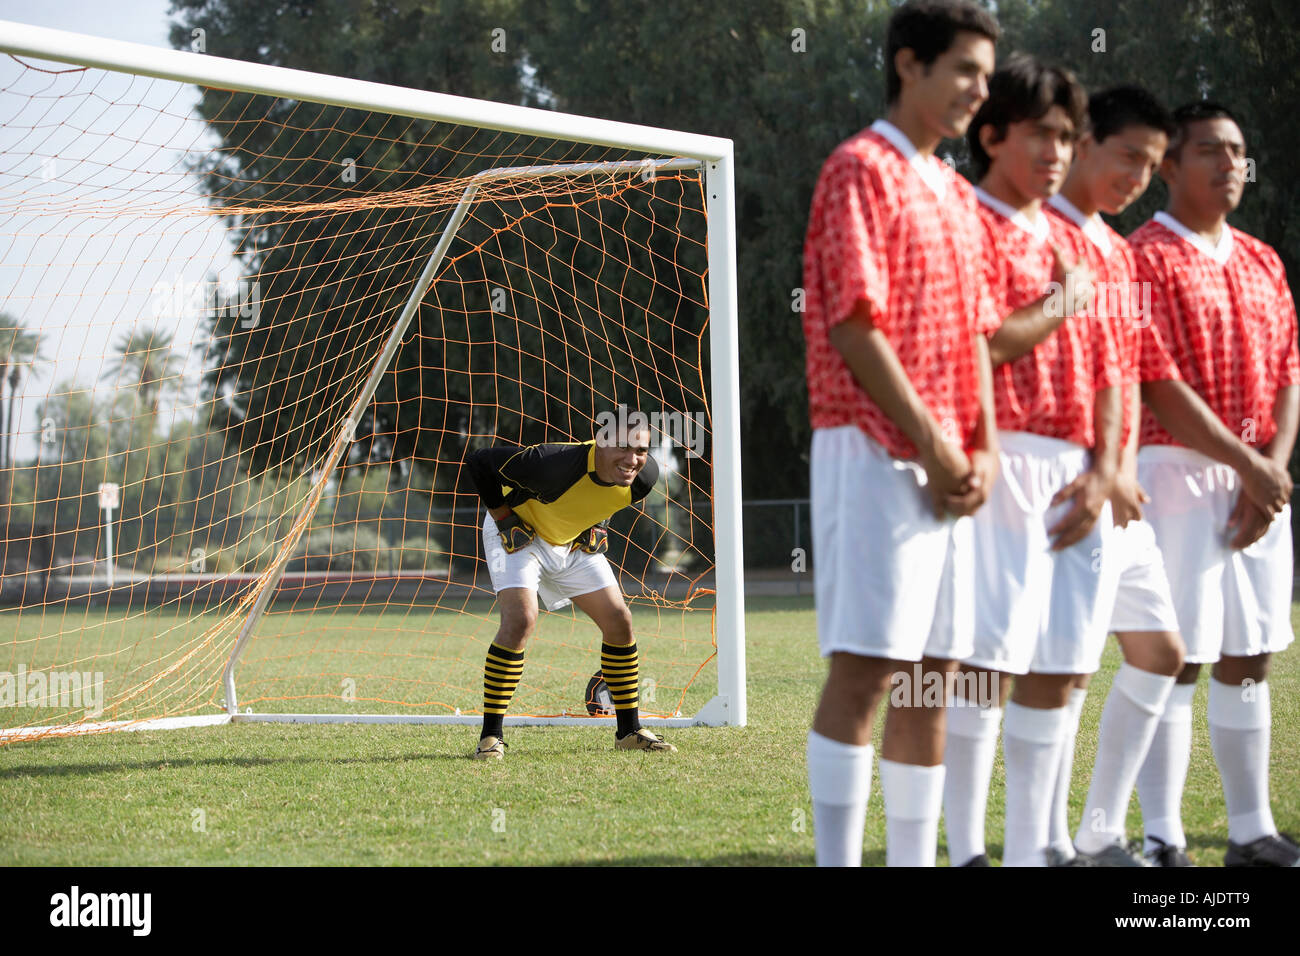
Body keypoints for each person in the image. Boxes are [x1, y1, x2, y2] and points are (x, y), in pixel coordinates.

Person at [801, 0, 999, 867]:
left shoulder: (958, 191)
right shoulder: (859, 170)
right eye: (964, 70)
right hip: (874, 450)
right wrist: (935, 443)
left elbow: (980, 337)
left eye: (987, 77)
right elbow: (852, 323)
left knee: (934, 675)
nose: (977, 92)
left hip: (952, 461)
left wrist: (981, 446)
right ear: (909, 64)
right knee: (868, 671)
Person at [941, 54, 1124, 869]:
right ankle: (972, 848)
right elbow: (978, 342)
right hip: (1001, 456)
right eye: (1041, 136)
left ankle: (1033, 851)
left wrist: (1107, 466)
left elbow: (1115, 365)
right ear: (991, 135)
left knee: (1064, 661)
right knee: (987, 662)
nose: (1057, 153)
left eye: (1067, 138)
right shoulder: (963, 221)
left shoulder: (1072, 236)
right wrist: (1060, 301)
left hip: (1080, 468)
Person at [1134, 101, 1300, 866]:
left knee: (1251, 652)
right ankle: (1164, 836)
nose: (1229, 164)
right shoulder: (1144, 257)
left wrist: (1271, 471)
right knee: (1177, 656)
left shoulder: (1264, 258)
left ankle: (1249, 831)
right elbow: (1158, 383)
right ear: (1169, 164)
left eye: (1238, 151)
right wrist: (1248, 465)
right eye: (1210, 151)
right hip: (1176, 473)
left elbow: (1290, 372)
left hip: (1259, 479)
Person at [1042, 86, 1186, 867]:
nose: (1138, 174)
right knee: (1062, 674)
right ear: (1083, 142)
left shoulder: (1118, 247)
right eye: (1128, 154)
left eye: (1153, 164)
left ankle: (1098, 830)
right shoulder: (1038, 234)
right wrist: (1099, 468)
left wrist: (1124, 466)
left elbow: (1129, 371)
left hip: (1120, 490)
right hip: (1064, 483)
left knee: (1161, 651)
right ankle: (1054, 843)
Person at [463, 414, 672, 758]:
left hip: (571, 542)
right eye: (622, 446)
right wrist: (504, 517)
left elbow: (605, 500)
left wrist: (598, 525)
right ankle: (491, 737)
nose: (632, 458)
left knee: (619, 622)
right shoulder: (551, 463)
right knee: (521, 621)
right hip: (519, 535)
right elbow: (479, 461)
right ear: (600, 441)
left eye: (640, 449)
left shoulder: (644, 476)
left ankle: (628, 731)